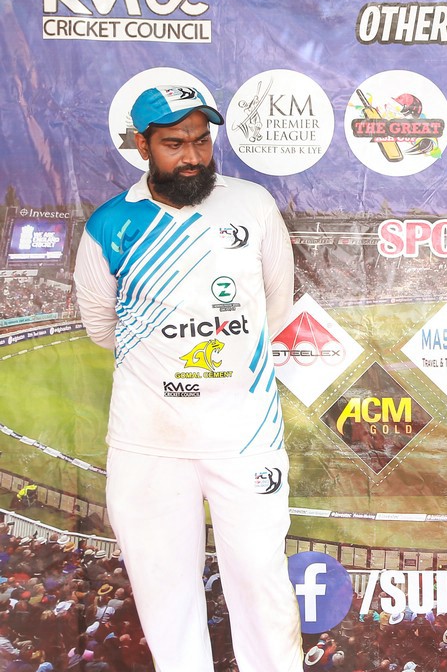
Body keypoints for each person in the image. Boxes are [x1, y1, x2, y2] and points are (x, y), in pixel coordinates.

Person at [73, 84, 302, 672]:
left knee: (263, 588)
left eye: (201, 140)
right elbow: (102, 327)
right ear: (142, 146)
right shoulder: (110, 224)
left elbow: (276, 308)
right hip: (147, 443)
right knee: (165, 597)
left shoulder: (252, 205)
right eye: (174, 144)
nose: (193, 156)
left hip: (245, 435)